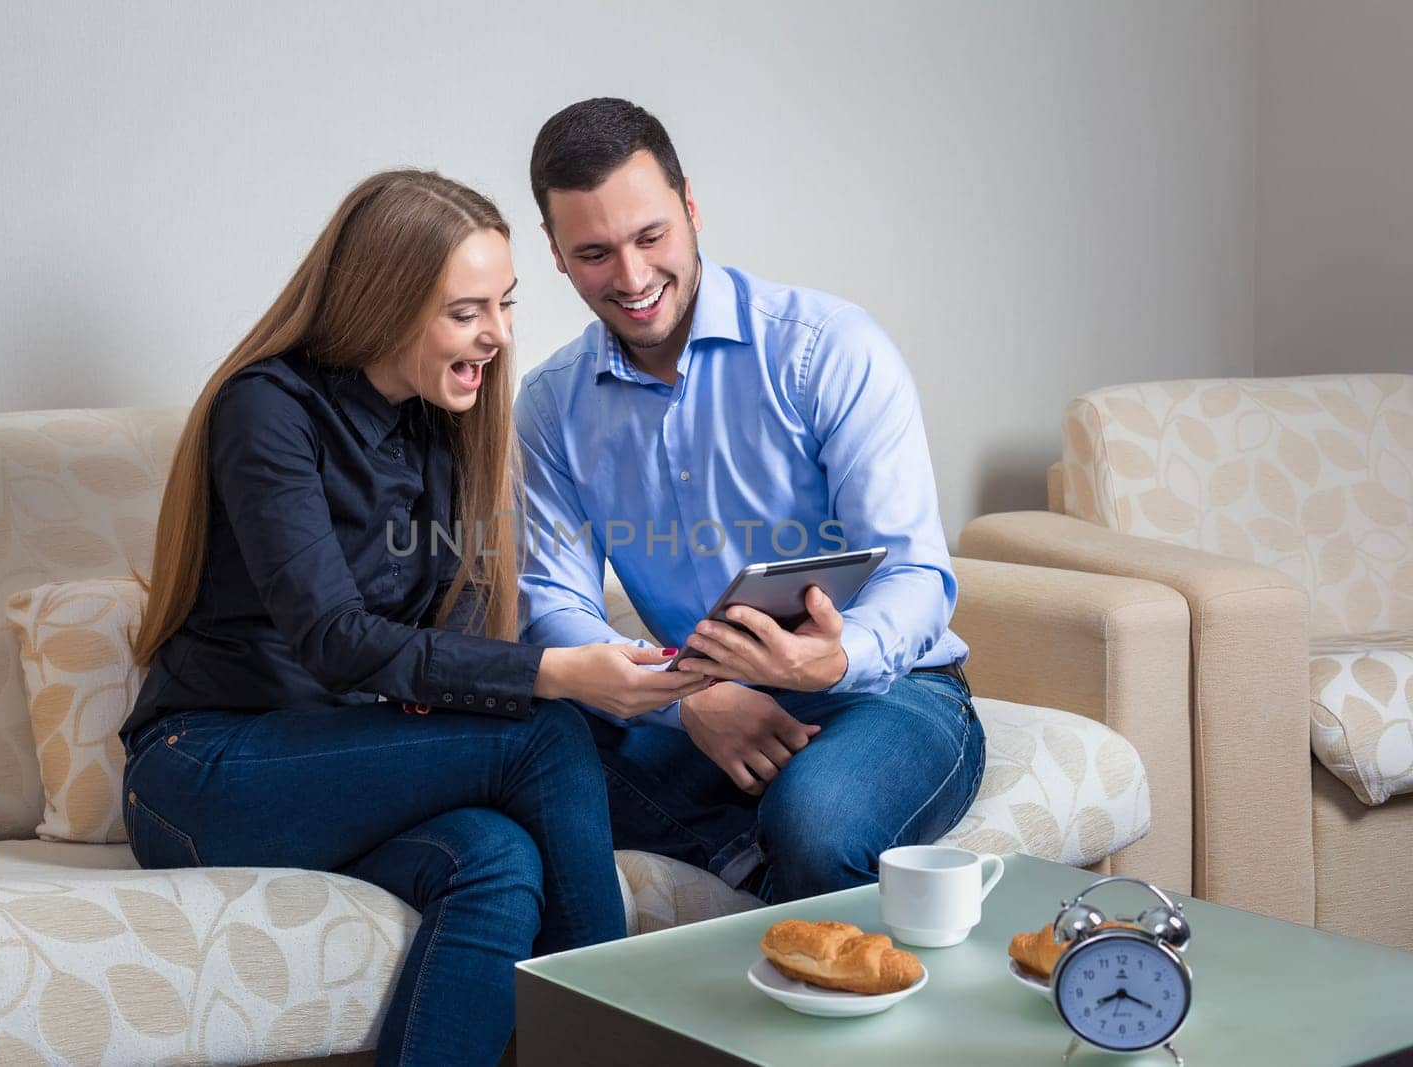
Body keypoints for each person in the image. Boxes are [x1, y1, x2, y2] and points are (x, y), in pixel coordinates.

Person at [119, 169, 707, 1067]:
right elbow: (333, 637)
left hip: (347, 764)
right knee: (545, 733)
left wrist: (599, 662)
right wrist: (556, 673)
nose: (501, 335)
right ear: (387, 302)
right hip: (205, 770)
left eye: (504, 304)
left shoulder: (441, 421)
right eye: (468, 311)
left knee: (498, 862)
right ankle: (621, 1046)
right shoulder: (267, 409)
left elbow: (452, 644)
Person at [516, 99, 986, 905]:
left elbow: (914, 572)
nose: (631, 279)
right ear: (557, 255)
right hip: (698, 703)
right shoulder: (552, 403)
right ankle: (754, 858)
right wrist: (691, 694)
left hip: (887, 690)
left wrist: (832, 658)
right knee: (515, 748)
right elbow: (554, 605)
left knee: (817, 822)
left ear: (691, 207)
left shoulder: (829, 348)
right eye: (594, 252)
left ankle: (771, 848)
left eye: (651, 236)